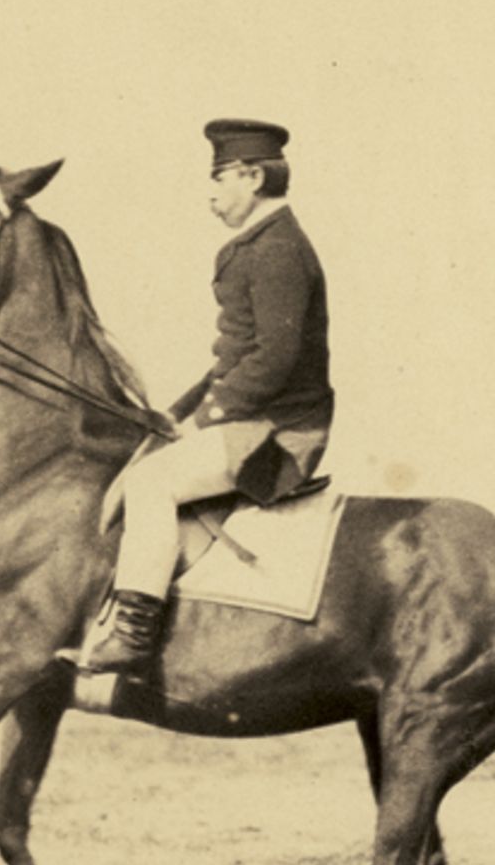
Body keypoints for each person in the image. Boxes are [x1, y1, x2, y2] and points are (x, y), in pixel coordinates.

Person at [83, 118, 335, 676]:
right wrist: (177, 413)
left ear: (252, 176)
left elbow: (276, 357)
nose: (212, 193)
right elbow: (234, 360)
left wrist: (207, 419)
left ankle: (134, 635)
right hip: (252, 415)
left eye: (220, 178)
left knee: (151, 482)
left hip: (278, 429)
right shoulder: (258, 245)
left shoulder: (278, 250)